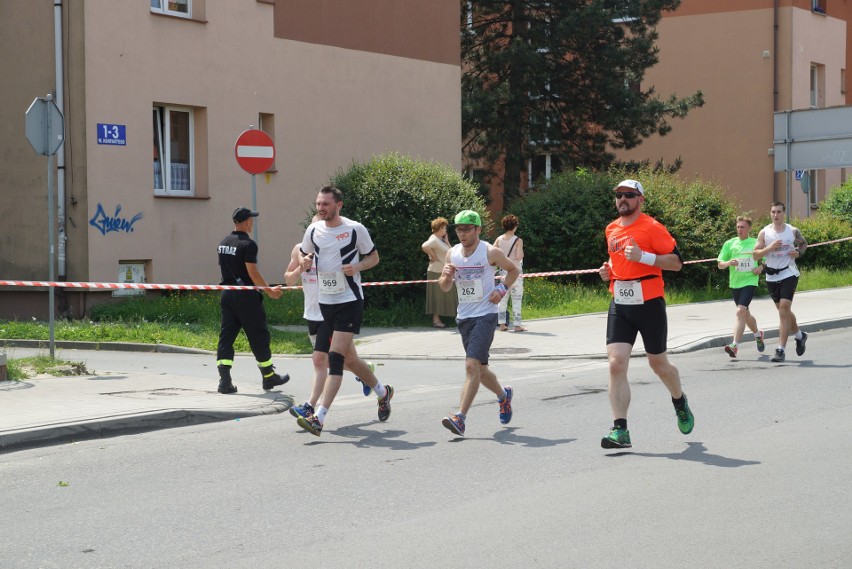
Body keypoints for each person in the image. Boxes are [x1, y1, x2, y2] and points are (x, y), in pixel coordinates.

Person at [598, 180, 694, 449]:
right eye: (618, 195)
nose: (622, 199)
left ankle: (679, 400)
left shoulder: (652, 227)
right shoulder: (611, 229)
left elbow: (676, 263)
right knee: (616, 363)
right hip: (620, 302)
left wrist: (646, 257)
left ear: (641, 199)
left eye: (629, 195)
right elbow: (618, 264)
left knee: (658, 364)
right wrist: (607, 271)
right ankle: (620, 430)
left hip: (650, 302)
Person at [294, 186, 393, 436]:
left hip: (349, 300)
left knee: (335, 357)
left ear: (339, 205)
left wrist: (358, 266)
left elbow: (374, 257)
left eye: (325, 204)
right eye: (318, 204)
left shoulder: (354, 229)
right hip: (325, 303)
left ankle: (319, 417)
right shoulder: (313, 229)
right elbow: (304, 253)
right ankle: (383, 392)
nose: (320, 208)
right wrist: (304, 261)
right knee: (351, 360)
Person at [438, 209, 520, 437]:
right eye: (458, 229)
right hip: (464, 316)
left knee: (471, 366)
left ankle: (460, 418)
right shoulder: (452, 254)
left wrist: (502, 288)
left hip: (485, 314)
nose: (462, 234)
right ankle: (504, 396)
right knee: (481, 370)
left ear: (478, 230)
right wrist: (445, 276)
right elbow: (445, 287)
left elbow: (514, 270)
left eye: (467, 229)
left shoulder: (489, 251)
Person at [283, 232, 377, 422]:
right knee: (343, 361)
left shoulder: (334, 249)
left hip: (333, 313)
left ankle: (311, 407)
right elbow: (288, 279)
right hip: (312, 313)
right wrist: (301, 268)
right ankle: (365, 372)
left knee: (321, 362)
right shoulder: (299, 250)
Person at [216, 207, 290, 394]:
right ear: (247, 222)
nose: (253, 223)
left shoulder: (223, 242)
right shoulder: (248, 244)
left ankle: (224, 381)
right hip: (246, 297)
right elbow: (253, 273)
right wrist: (269, 291)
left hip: (227, 293)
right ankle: (268, 377)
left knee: (226, 337)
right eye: (252, 220)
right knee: (258, 335)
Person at [752, 201, 809, 363]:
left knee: (783, 309)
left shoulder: (792, 231)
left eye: (778, 212)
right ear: (770, 214)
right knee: (784, 311)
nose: (776, 215)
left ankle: (780, 350)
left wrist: (797, 252)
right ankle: (800, 335)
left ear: (784, 213)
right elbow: (755, 255)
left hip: (789, 273)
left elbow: (804, 244)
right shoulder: (764, 233)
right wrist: (769, 248)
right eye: (773, 212)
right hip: (771, 276)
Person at [717, 216, 766, 358]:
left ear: (749, 228)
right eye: (738, 227)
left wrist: (761, 268)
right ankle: (758, 334)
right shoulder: (730, 244)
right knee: (745, 314)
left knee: (740, 311)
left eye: (742, 227)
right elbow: (720, 263)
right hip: (735, 283)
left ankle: (735, 346)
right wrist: (728, 263)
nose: (739, 230)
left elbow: (766, 260)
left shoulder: (755, 243)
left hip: (750, 281)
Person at [421, 217, 458, 327]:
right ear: (440, 228)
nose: (446, 229)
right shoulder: (434, 238)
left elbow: (452, 252)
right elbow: (424, 246)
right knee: (437, 296)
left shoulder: (441, 240)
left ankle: (454, 317)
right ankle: (436, 320)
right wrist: (433, 256)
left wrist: (447, 242)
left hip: (444, 272)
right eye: (445, 227)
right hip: (436, 271)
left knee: (449, 294)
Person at [493, 213, 525, 332]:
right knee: (516, 299)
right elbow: (518, 256)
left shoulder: (498, 239)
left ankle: (502, 324)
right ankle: (517, 325)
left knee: (502, 299)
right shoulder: (518, 240)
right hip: (516, 273)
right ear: (515, 226)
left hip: (503, 273)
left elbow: (493, 254)